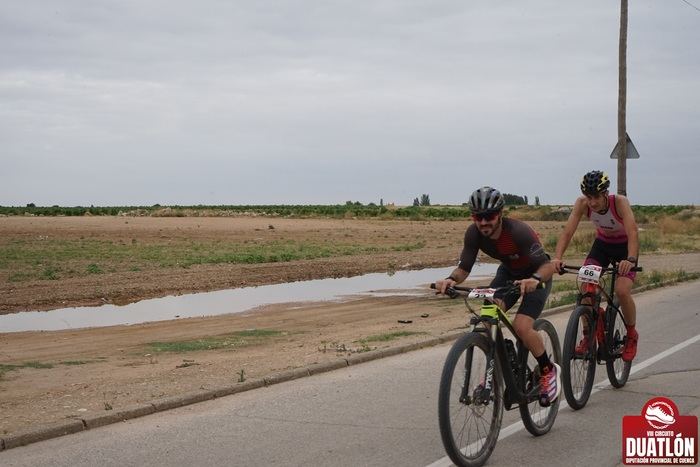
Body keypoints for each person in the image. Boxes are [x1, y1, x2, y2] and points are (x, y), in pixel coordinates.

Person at [435, 186, 560, 407]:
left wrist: (535, 279)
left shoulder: (518, 232)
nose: (483, 223)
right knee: (487, 317)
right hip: (508, 274)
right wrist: (450, 280)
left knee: (522, 327)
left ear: (500, 214)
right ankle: (499, 363)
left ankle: (548, 370)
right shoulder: (473, 233)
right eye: (478, 217)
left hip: (536, 275)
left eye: (489, 217)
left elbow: (548, 266)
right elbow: (464, 269)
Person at [551, 170, 640, 362]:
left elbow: (633, 232)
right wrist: (557, 258)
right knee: (585, 287)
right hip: (602, 247)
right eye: (588, 197)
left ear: (605, 194)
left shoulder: (620, 202)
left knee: (622, 291)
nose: (592, 202)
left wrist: (631, 260)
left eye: (596, 197)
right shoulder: (582, 204)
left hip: (625, 248)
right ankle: (587, 335)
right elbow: (568, 232)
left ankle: (632, 335)